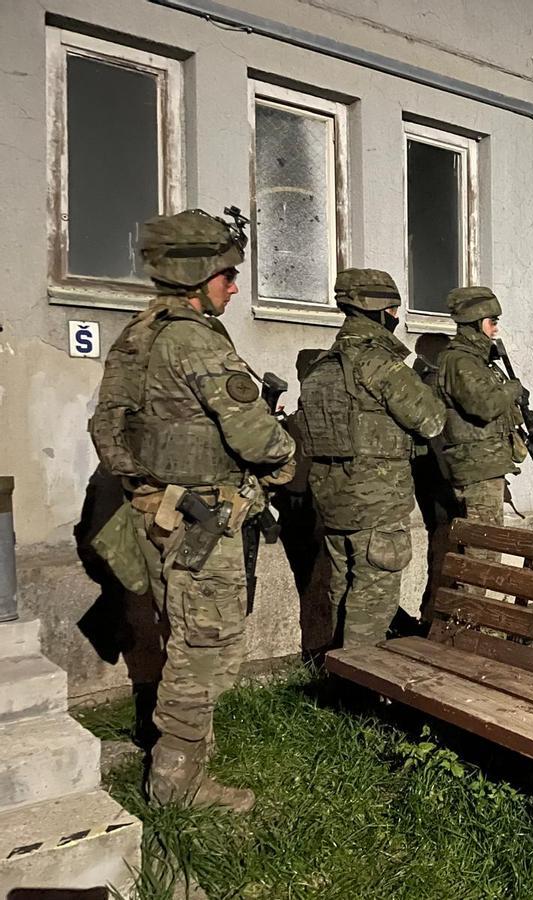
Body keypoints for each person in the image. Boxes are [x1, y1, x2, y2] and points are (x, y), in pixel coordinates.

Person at [88, 208, 295, 812]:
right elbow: (258, 438)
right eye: (227, 275)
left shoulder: (138, 334)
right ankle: (177, 786)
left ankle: (171, 752)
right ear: (197, 276)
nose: (234, 286)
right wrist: (284, 459)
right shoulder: (194, 339)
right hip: (202, 518)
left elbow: (107, 427)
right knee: (203, 649)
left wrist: (146, 488)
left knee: (180, 634)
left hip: (155, 511)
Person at [298, 268, 445, 646]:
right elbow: (430, 420)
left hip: (334, 502)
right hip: (377, 504)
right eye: (394, 309)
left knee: (339, 590)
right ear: (381, 311)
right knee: (373, 600)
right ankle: (358, 691)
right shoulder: (379, 363)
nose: (396, 317)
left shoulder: (321, 367)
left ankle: (334, 675)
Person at [436, 286, 526, 564]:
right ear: (476, 322)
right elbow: (484, 405)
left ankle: (476, 603)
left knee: (487, 546)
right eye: (492, 322)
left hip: (485, 465)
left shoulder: (477, 361)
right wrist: (512, 389)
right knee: (481, 550)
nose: (496, 329)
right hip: (477, 466)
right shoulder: (460, 360)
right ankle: (471, 605)